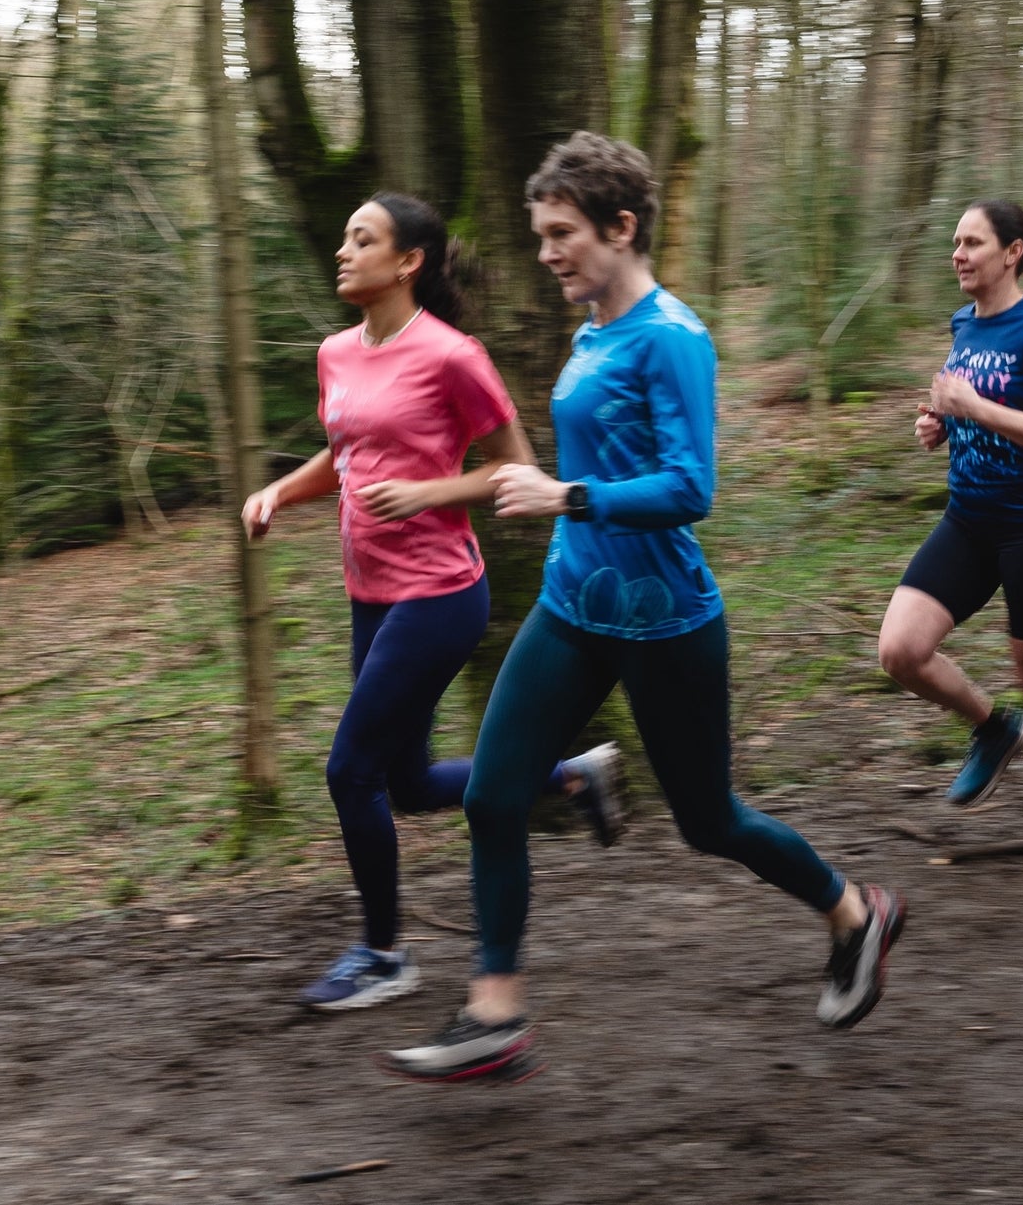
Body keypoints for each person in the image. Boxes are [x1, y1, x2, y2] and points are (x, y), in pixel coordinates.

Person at [378, 132, 904, 1082]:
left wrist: (566, 495)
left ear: (620, 227)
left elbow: (691, 487)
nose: (546, 253)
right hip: (572, 608)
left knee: (710, 821)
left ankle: (854, 913)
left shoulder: (672, 336)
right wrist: (560, 500)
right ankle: (495, 1011)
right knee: (493, 795)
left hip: (666, 622)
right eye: (541, 235)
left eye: (562, 233)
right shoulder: (592, 330)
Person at [241, 192, 622, 1012]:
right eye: (344, 236)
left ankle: (384, 954)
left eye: (362, 238)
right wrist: (278, 491)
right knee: (406, 782)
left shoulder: (452, 355)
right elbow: (345, 454)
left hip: (440, 592)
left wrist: (427, 493)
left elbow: (516, 467)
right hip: (370, 594)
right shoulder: (335, 353)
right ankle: (569, 775)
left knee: (350, 771)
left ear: (408, 262)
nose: (344, 251)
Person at [879, 200, 1023, 850]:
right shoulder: (963, 323)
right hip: (969, 521)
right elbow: (973, 408)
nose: (958, 253)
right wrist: (943, 424)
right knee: (900, 651)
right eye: (956, 241)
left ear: (1013, 253)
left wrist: (973, 406)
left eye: (972, 242)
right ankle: (994, 728)